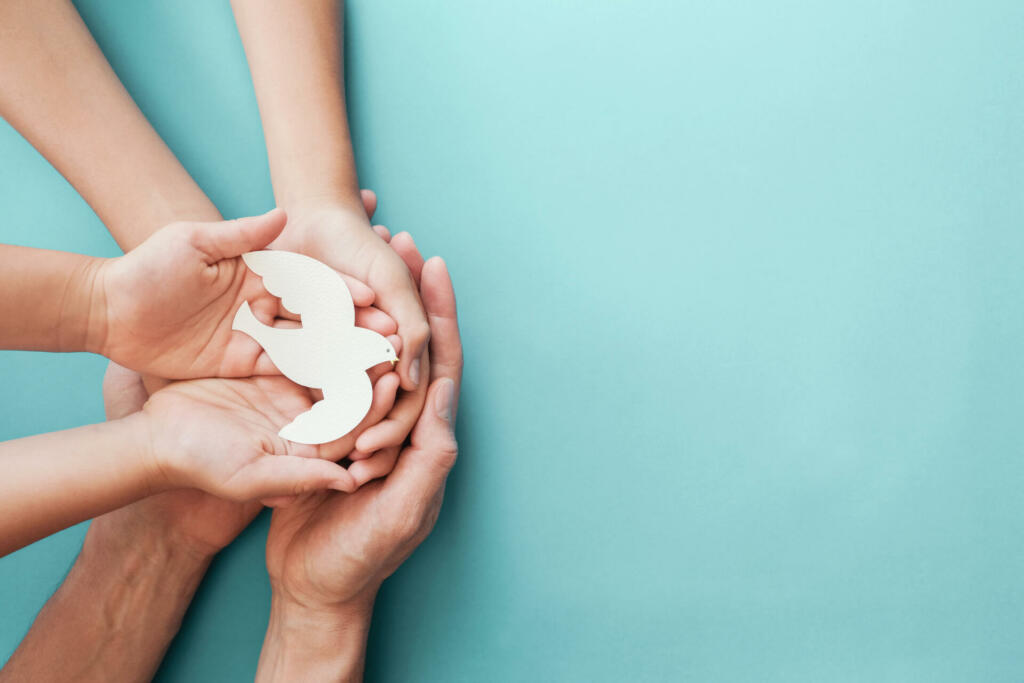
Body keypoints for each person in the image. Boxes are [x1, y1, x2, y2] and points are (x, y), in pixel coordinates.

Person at [0, 233, 463, 681]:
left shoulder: (350, 369)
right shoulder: (341, 347)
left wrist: (161, 515)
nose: (387, 352)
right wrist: (316, 617)